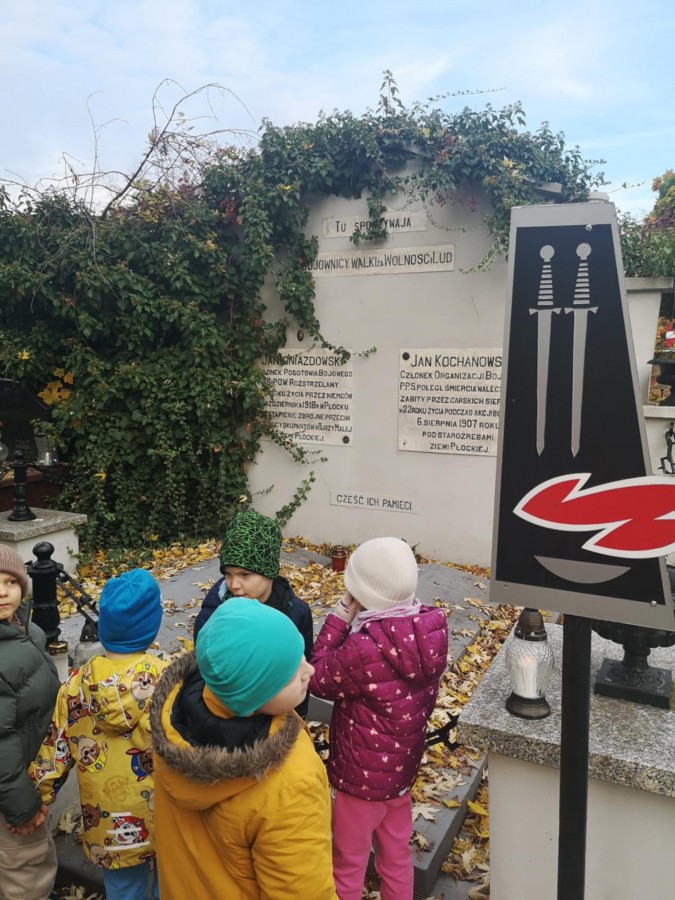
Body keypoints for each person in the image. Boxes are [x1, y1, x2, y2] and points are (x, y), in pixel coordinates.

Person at [150, 597, 338, 899]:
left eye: (302, 656)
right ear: (249, 702)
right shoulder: (290, 782)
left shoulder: (174, 719)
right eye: (290, 675)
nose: (310, 671)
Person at [309, 537, 448, 900]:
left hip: (359, 783)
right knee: (397, 858)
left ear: (360, 593)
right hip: (400, 777)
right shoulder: (430, 632)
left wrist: (340, 618)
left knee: (348, 863)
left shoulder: (364, 648)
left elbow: (317, 675)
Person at [31, 568, 167, 900]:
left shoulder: (75, 686)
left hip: (108, 827)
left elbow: (55, 749)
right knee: (172, 884)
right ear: (153, 626)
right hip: (167, 816)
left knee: (123, 890)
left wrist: (35, 798)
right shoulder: (168, 681)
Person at [193, 508, 314, 716]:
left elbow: (303, 671)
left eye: (245, 574)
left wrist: (299, 717)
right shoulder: (212, 618)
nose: (234, 585)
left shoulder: (296, 612)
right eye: (228, 574)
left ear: (269, 571)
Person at [0, 544, 60, 900]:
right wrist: (22, 808)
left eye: (10, 582)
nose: (2, 592)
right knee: (26, 871)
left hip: (29, 773)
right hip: (12, 793)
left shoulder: (26, 630)